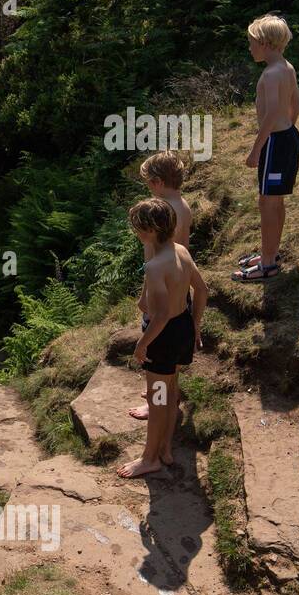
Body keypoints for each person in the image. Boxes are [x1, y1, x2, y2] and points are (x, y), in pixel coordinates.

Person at [117, 199, 208, 479]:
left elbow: (161, 314)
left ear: (150, 231)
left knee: (157, 401)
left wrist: (142, 343)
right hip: (182, 328)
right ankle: (166, 446)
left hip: (162, 337)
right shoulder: (180, 251)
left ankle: (150, 459)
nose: (136, 233)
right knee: (170, 390)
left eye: (138, 228)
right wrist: (194, 327)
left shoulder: (155, 266)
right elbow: (202, 291)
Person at [234, 13, 299, 282]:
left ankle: (268, 264)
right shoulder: (287, 67)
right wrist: (289, 130)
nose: (250, 48)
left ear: (265, 43)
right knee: (275, 200)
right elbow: (295, 104)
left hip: (275, 142)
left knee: (266, 202)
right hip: (288, 137)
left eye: (252, 43)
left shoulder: (271, 74)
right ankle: (269, 252)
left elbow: (272, 114)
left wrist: (256, 149)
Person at [129, 152, 192, 420]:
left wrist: (144, 297)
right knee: (171, 360)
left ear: (156, 182)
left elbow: (154, 264)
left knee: (155, 356)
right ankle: (170, 397)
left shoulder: (161, 215)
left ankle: (156, 406)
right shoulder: (182, 205)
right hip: (180, 289)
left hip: (162, 293)